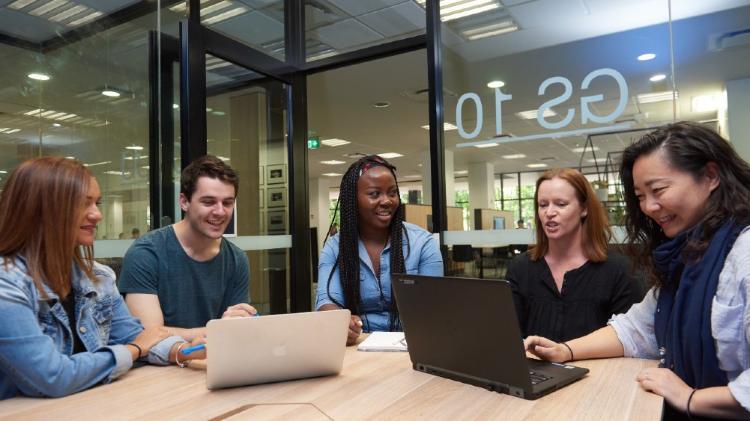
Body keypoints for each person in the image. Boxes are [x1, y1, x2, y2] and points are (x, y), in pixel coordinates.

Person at [525, 122, 750, 419]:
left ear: (710, 176)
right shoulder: (687, 258)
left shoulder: (743, 251)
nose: (649, 207)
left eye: (658, 190)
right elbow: (635, 330)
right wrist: (564, 351)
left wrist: (691, 398)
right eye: (641, 196)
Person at [0, 157, 205, 400]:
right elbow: (53, 377)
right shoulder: (7, 284)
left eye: (97, 203)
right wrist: (133, 350)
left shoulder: (98, 276)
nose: (97, 215)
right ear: (42, 209)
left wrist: (185, 350)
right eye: (83, 204)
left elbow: (134, 335)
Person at [119, 155, 255, 341]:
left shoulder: (237, 259)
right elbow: (147, 337)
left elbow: (237, 332)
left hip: (211, 363)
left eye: (227, 203)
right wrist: (217, 329)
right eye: (208, 202)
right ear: (184, 202)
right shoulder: (146, 254)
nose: (220, 211)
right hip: (158, 367)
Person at [316, 155, 444, 345]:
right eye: (374, 194)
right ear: (353, 199)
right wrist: (339, 322)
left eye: (392, 193)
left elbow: (435, 306)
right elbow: (326, 301)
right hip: (357, 346)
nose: (387, 201)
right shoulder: (336, 247)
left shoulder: (422, 242)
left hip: (414, 343)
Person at [507, 168, 640, 342]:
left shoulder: (618, 270)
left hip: (600, 369)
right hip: (534, 368)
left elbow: (630, 339)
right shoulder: (520, 268)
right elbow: (509, 337)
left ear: (584, 209)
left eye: (561, 204)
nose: (549, 212)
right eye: (543, 205)